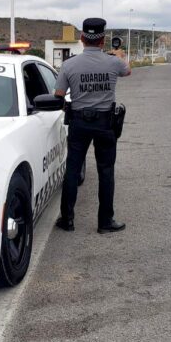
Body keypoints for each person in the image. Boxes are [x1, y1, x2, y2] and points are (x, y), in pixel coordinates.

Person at [53, 17, 131, 234]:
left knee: (72, 170)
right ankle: (105, 221)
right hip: (105, 123)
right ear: (103, 40)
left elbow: (59, 95)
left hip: (78, 122)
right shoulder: (113, 62)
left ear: (82, 38)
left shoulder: (69, 65)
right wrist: (120, 55)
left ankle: (67, 219)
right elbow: (128, 71)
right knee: (106, 171)